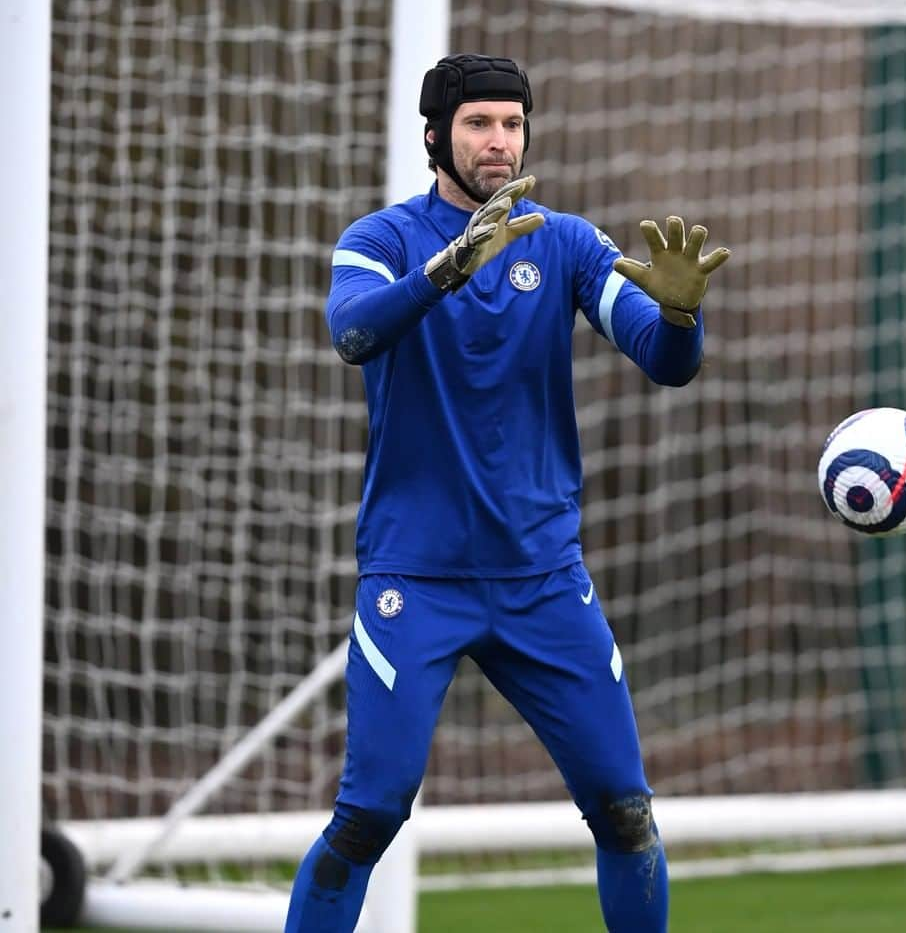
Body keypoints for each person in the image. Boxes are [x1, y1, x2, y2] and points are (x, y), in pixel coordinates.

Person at [285, 52, 729, 933]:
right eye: (480, 123)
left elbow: (664, 361)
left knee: (627, 815)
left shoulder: (561, 242)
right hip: (416, 579)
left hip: (542, 580)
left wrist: (680, 316)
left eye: (513, 123)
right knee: (368, 818)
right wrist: (448, 268)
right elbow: (352, 334)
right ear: (434, 137)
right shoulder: (379, 242)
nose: (500, 140)